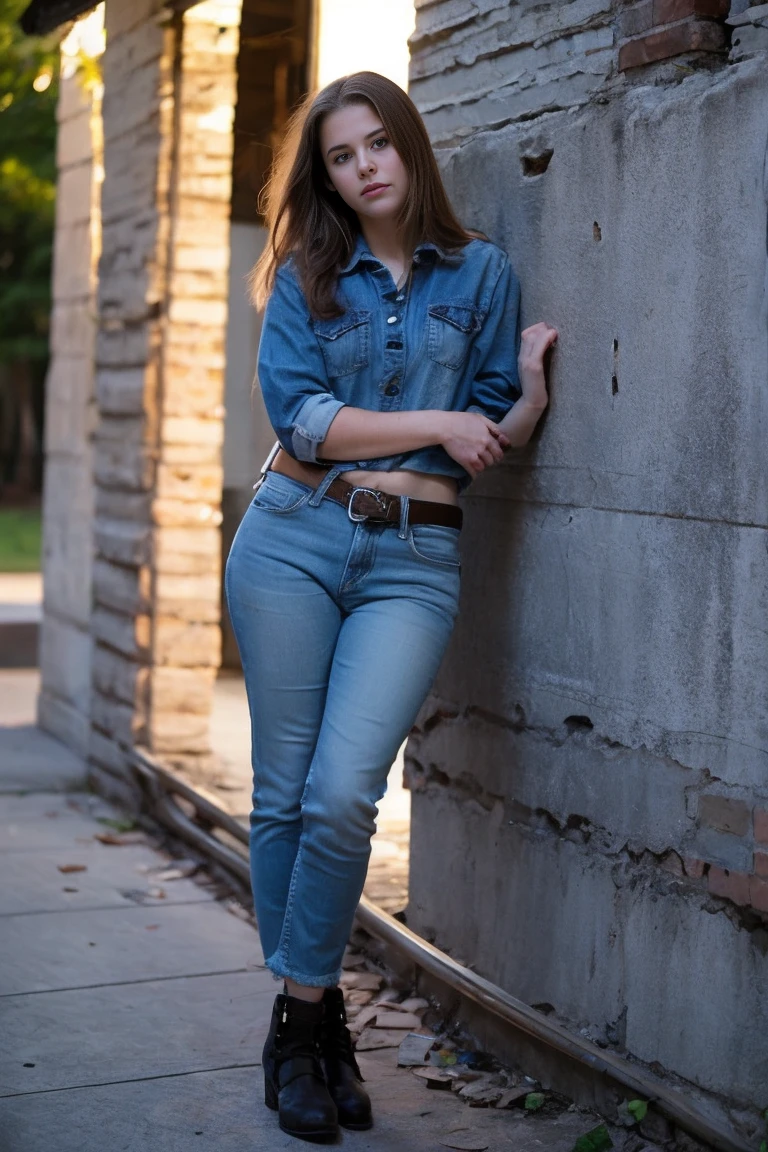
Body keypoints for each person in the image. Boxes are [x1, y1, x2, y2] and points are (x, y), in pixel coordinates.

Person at [224, 70, 557, 1142]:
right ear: (325, 175)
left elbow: (491, 421)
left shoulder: (484, 273)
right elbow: (307, 420)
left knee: (339, 797)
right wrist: (438, 419)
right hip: (293, 535)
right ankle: (312, 1030)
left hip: (414, 558)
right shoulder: (305, 277)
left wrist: (529, 398)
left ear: (409, 148)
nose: (364, 166)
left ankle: (300, 1018)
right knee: (282, 799)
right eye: (340, 155)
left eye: (378, 144)